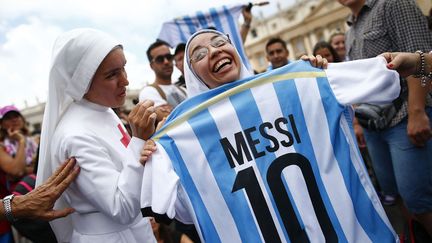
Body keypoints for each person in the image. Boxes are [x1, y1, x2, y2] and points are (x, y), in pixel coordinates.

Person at [140, 29, 403, 242]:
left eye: (220, 41)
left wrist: (318, 73)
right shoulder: (180, 135)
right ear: (192, 74)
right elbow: (186, 210)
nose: (214, 50)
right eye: (199, 54)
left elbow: (391, 71)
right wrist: (149, 149)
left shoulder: (302, 80)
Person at [35, 28, 157, 243]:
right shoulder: (75, 134)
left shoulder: (102, 109)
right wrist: (138, 140)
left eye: (124, 68)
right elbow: (121, 207)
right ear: (82, 81)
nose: (125, 81)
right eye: (112, 75)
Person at [339, 0, 432, 237]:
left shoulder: (393, 4)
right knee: (394, 196)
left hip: (404, 118)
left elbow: (419, 56)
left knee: (418, 199)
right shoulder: (350, 30)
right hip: (374, 127)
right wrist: (359, 122)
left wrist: (417, 111)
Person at [139, 40, 187, 123]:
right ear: (152, 66)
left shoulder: (183, 90)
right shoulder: (148, 92)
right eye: (160, 59)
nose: (166, 62)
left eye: (169, 57)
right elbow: (170, 121)